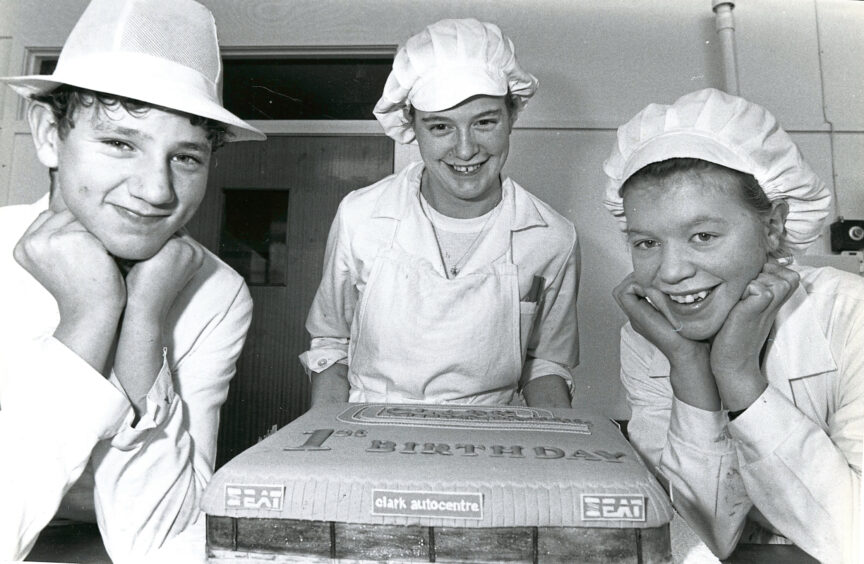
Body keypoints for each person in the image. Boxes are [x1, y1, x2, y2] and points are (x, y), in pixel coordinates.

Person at [0, 0, 265, 560]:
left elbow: (168, 540)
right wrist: (91, 319)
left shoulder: (215, 293)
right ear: (50, 134)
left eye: (186, 158)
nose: (157, 191)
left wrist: (141, 326)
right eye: (121, 143)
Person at [603, 88, 861, 563]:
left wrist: (739, 376)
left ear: (773, 227)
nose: (671, 271)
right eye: (646, 243)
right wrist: (689, 369)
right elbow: (678, 541)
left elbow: (853, 541)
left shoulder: (852, 317)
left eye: (702, 236)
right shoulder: (650, 334)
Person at [300, 19, 579, 408]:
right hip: (370, 436)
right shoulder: (361, 216)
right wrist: (328, 452)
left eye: (484, 122)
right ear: (411, 124)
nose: (465, 150)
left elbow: (546, 363)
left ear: (513, 113)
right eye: (440, 127)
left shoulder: (551, 236)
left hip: (489, 442)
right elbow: (331, 343)